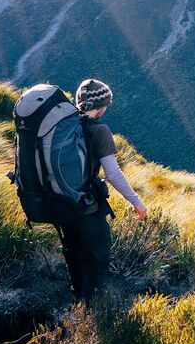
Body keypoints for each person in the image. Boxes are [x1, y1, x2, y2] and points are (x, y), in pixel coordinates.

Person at [58, 78, 148, 303]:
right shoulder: (99, 131)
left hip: (61, 206)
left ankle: (78, 305)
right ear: (100, 106)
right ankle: (94, 313)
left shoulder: (63, 126)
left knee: (74, 258)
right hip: (87, 209)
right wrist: (136, 202)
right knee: (98, 259)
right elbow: (113, 174)